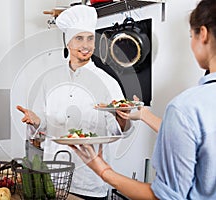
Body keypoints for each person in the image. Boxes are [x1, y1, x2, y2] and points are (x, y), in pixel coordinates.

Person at [70, 0, 216, 199]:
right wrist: (144, 114)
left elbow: (167, 197)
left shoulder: (185, 107)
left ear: (204, 34)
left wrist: (103, 170)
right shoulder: (189, 110)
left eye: (191, 36)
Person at [17, 5, 133, 199]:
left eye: (90, 38)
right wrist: (36, 120)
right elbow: (43, 124)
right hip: (56, 176)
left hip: (90, 178)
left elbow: (118, 130)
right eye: (79, 38)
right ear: (68, 42)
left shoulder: (107, 82)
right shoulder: (50, 80)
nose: (85, 45)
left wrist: (123, 118)